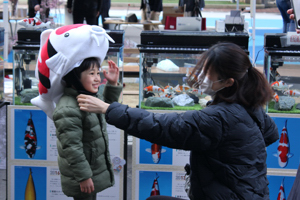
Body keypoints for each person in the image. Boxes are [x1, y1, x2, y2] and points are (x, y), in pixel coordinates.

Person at [77, 42, 279, 199]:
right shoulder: (249, 104)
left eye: (209, 73)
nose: (201, 76)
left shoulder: (219, 117)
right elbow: (271, 133)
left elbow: (163, 126)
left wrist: (108, 108)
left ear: (228, 82)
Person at [53, 58, 122, 200]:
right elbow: (72, 147)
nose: (98, 78)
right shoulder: (68, 108)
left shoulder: (85, 97)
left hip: (91, 169)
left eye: (98, 73)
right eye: (92, 73)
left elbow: (104, 108)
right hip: (83, 174)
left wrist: (112, 83)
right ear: (75, 77)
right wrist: (83, 176)